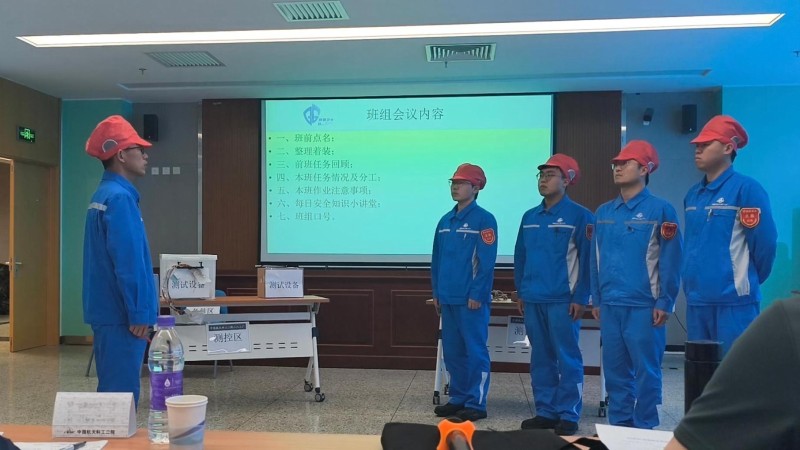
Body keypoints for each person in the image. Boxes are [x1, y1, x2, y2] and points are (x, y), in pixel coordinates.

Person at [589, 140, 683, 429]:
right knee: (615, 372)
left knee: (646, 372)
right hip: (611, 304)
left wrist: (665, 301)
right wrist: (597, 298)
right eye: (615, 163)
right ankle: (619, 426)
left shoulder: (661, 210)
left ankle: (645, 427)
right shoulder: (604, 212)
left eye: (625, 163)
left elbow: (671, 260)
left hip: (644, 305)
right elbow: (595, 259)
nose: (617, 167)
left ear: (645, 169)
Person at [682, 115, 777, 356]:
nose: (698, 149)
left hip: (734, 305)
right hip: (697, 301)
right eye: (697, 145)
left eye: (706, 144)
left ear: (728, 147)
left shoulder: (747, 190)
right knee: (700, 371)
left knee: (735, 371)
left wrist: (744, 281)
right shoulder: (693, 195)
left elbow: (765, 246)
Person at [513, 154, 594, 436]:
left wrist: (581, 297)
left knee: (567, 357)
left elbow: (588, 261)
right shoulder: (529, 217)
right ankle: (546, 411)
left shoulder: (581, 216)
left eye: (550, 175)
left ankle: (568, 413)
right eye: (541, 175)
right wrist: (521, 291)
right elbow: (520, 257)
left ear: (567, 180)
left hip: (563, 300)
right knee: (540, 357)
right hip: (533, 298)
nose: (543, 180)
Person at [83, 115, 158, 407]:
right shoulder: (120, 199)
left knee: (113, 392)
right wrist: (139, 312)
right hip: (122, 316)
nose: (146, 155)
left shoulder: (105, 194)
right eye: (140, 149)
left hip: (109, 312)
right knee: (120, 398)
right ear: (122, 155)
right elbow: (128, 261)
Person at [665, 297, 800, 450]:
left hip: (736, 300)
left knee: (743, 389)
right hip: (698, 298)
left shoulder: (786, 322)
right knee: (697, 369)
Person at [431, 163, 498, 422]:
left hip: (471, 300)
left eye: (461, 183)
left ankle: (476, 402)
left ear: (476, 187)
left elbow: (486, 262)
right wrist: (437, 292)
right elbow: (437, 259)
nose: (455, 187)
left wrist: (477, 293)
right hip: (448, 297)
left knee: (474, 351)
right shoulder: (445, 221)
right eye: (453, 182)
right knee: (453, 352)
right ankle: (458, 397)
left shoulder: (484, 220)